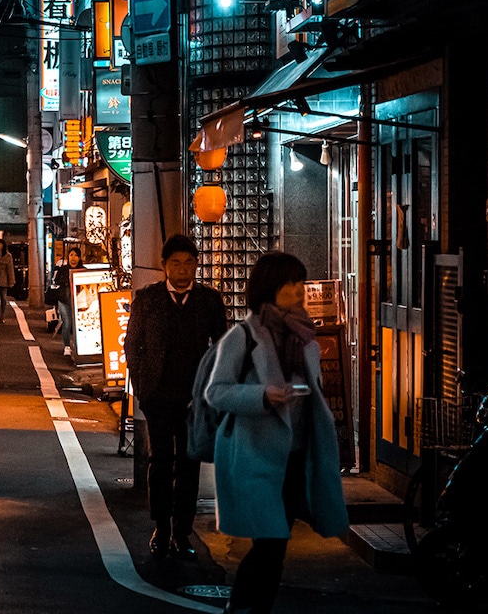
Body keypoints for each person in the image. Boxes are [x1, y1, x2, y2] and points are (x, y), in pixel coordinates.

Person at [205, 251, 348, 614]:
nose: (300, 290)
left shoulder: (304, 335)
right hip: (254, 456)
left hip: (296, 455)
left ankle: (251, 609)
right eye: (290, 284)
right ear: (270, 288)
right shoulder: (243, 336)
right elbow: (216, 392)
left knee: (276, 545)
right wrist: (263, 396)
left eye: (301, 282)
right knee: (270, 543)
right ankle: (241, 608)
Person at [123, 234, 228, 559]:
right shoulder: (148, 299)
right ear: (164, 266)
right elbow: (132, 344)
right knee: (160, 462)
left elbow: (222, 347)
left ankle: (182, 532)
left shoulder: (209, 300)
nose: (182, 270)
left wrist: (213, 389)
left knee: (189, 463)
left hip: (195, 398)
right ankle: (161, 528)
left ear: (196, 264)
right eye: (175, 263)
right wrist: (142, 386)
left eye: (188, 263)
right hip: (158, 395)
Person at [51, 247, 82, 354]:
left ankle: (80, 347)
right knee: (67, 322)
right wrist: (67, 278)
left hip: (79, 301)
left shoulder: (83, 270)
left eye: (76, 255)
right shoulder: (63, 269)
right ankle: (67, 347)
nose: (73, 258)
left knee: (79, 324)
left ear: (80, 257)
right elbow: (56, 280)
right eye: (71, 255)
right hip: (64, 300)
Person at [0, 239, 16, 323]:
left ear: (3, 245)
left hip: (4, 279)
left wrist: (11, 281)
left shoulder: (8, 256)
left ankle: (2, 316)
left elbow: (10, 269)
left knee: (4, 298)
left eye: (0, 244)